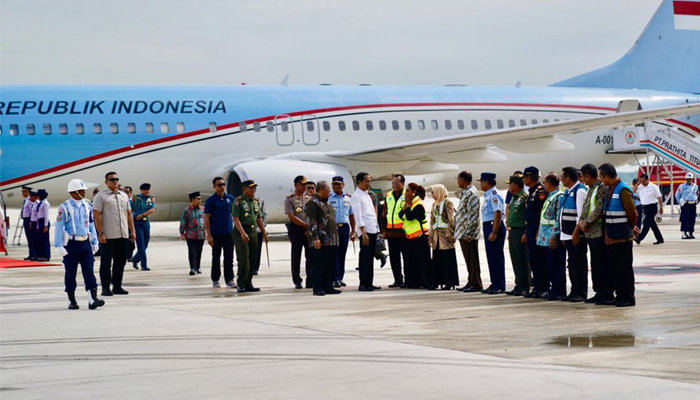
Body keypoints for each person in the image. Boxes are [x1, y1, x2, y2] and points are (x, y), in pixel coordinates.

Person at [54, 179, 105, 310]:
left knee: (89, 271)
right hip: (71, 244)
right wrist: (59, 245)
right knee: (70, 273)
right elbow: (59, 227)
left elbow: (91, 224)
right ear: (74, 192)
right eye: (81, 190)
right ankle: (72, 300)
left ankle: (92, 299)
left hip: (85, 243)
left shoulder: (86, 205)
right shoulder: (64, 208)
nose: (84, 192)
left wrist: (94, 241)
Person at [599, 163, 638, 307]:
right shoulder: (610, 189)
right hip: (612, 236)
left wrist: (630, 228)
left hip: (622, 236)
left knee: (624, 269)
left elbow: (632, 213)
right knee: (615, 269)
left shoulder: (623, 190)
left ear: (607, 177)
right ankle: (620, 295)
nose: (601, 180)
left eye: (601, 177)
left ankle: (627, 297)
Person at [93, 172, 136, 296]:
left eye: (116, 179)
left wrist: (132, 231)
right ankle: (105, 288)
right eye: (112, 179)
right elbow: (97, 215)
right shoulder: (101, 196)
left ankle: (117, 286)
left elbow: (129, 214)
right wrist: (100, 233)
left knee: (120, 262)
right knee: (106, 263)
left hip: (123, 234)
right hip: (108, 235)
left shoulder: (123, 195)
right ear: (106, 182)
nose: (115, 181)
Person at [577, 163, 612, 305]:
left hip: (598, 231)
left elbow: (598, 208)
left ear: (588, 176)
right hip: (590, 233)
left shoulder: (602, 188)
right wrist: (581, 222)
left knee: (601, 263)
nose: (582, 180)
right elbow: (586, 208)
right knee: (595, 264)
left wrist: (587, 222)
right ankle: (599, 292)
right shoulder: (591, 188)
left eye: (583, 177)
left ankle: (606, 292)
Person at [305, 180, 342, 296]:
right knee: (318, 265)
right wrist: (315, 238)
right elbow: (311, 222)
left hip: (331, 240)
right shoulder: (313, 203)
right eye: (328, 189)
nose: (330, 191)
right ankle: (318, 287)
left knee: (329, 264)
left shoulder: (328, 204)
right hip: (320, 240)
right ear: (321, 189)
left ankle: (328, 285)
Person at [232, 180, 268, 293]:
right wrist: (243, 233)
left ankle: (248, 283)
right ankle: (241, 283)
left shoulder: (255, 201)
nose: (253, 190)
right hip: (241, 231)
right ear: (244, 189)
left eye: (254, 188)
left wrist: (264, 232)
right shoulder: (238, 201)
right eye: (251, 188)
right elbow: (235, 218)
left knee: (253, 258)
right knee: (244, 259)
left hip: (253, 232)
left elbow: (259, 218)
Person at [560, 166, 588, 302]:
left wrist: (576, 234)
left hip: (576, 235)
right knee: (572, 264)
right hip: (568, 234)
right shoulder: (568, 191)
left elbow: (581, 215)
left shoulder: (580, 191)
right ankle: (574, 290)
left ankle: (581, 292)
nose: (561, 179)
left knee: (578, 264)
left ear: (568, 178)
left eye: (562, 176)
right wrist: (564, 235)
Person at [537, 173, 566, 301]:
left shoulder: (559, 197)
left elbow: (558, 219)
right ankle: (553, 289)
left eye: (544, 182)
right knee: (550, 265)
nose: (543, 185)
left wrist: (554, 237)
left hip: (552, 237)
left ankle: (559, 291)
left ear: (549, 183)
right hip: (545, 237)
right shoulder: (551, 196)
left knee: (557, 265)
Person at [351, 172, 381, 291]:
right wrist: (363, 233)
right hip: (365, 232)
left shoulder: (367, 194)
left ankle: (369, 282)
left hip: (372, 230)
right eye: (366, 181)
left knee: (370, 258)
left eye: (369, 181)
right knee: (365, 258)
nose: (369, 184)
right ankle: (363, 283)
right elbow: (358, 216)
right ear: (359, 182)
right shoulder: (356, 196)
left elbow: (371, 214)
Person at [204, 177, 236, 288]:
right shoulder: (211, 201)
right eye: (219, 185)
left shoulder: (230, 198)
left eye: (223, 184)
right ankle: (215, 279)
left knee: (229, 257)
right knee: (216, 257)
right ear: (214, 187)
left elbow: (235, 215)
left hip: (228, 233)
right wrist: (209, 235)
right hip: (216, 233)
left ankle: (229, 279)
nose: (222, 187)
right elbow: (206, 218)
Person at [454, 171, 483, 292]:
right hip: (463, 232)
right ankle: (471, 281)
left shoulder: (471, 193)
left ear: (463, 180)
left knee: (472, 260)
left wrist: (469, 233)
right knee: (468, 260)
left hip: (468, 234)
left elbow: (473, 215)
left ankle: (476, 283)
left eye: (458, 179)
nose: (457, 181)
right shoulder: (466, 192)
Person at [522, 166, 548, 298]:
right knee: (533, 259)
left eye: (525, 178)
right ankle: (537, 286)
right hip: (531, 228)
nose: (524, 180)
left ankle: (543, 286)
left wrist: (538, 231)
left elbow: (541, 213)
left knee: (539, 259)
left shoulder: (540, 191)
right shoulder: (532, 191)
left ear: (529, 178)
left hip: (537, 229)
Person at [399, 183, 430, 289]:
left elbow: (410, 217)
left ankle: (423, 282)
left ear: (414, 192)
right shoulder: (410, 203)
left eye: (407, 191)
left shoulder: (418, 204)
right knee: (410, 261)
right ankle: (411, 282)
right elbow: (400, 215)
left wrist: (407, 207)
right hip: (410, 237)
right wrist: (405, 207)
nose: (405, 193)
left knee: (420, 262)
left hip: (420, 236)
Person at [479, 173, 506, 294]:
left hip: (493, 226)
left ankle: (499, 284)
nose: (480, 184)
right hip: (488, 225)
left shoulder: (494, 195)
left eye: (481, 182)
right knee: (491, 256)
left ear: (487, 182)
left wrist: (494, 231)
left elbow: (498, 213)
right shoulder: (488, 195)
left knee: (496, 256)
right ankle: (494, 283)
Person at [429, 184, 459, 290]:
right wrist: (431, 237)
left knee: (447, 261)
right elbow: (432, 222)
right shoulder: (434, 205)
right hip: (436, 238)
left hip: (445, 239)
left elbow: (451, 220)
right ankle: (436, 281)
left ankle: (449, 282)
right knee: (437, 261)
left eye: (433, 192)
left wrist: (450, 234)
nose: (432, 194)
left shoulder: (447, 203)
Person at [381, 174, 408, 288]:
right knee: (394, 258)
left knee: (406, 258)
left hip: (403, 232)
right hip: (391, 232)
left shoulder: (407, 195)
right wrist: (384, 229)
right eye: (393, 183)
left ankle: (408, 279)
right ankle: (397, 280)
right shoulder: (388, 195)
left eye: (397, 183)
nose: (394, 185)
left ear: (402, 184)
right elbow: (384, 212)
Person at [285, 175, 312, 289]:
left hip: (309, 229)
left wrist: (309, 227)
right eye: (302, 184)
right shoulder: (290, 199)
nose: (304, 186)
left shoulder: (309, 198)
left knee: (310, 255)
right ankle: (297, 280)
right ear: (296, 185)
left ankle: (310, 279)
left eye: (305, 184)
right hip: (296, 229)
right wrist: (304, 225)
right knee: (296, 255)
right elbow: (291, 216)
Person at [505, 175, 530, 296]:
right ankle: (518, 284)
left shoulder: (524, 197)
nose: (509, 186)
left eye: (510, 184)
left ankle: (525, 285)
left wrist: (526, 232)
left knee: (522, 259)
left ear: (516, 185)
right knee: (515, 258)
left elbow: (527, 216)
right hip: (513, 231)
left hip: (520, 231)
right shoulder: (513, 197)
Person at [328, 176, 355, 288]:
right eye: (334, 184)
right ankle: (334, 278)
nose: (336, 186)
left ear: (343, 185)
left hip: (344, 227)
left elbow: (351, 215)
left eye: (339, 184)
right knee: (334, 253)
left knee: (342, 253)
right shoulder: (329, 198)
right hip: (333, 228)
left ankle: (340, 277)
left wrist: (353, 231)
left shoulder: (348, 198)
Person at [634, 174, 664, 245]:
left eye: (644, 181)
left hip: (652, 207)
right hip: (645, 207)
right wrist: (638, 183)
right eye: (641, 181)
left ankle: (639, 238)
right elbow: (633, 191)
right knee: (652, 224)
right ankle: (660, 239)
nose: (643, 183)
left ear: (648, 180)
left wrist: (661, 207)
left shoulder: (653, 187)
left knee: (646, 224)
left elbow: (659, 197)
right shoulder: (640, 187)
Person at [180, 192, 206, 275]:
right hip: (191, 235)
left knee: (199, 251)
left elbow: (206, 221)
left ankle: (198, 267)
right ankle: (192, 268)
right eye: (198, 199)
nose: (200, 200)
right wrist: (182, 233)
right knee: (191, 251)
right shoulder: (187, 210)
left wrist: (208, 232)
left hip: (201, 234)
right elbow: (183, 222)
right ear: (192, 200)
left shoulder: (203, 209)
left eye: (200, 199)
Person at [131, 183, 156, 271]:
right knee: (141, 244)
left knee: (146, 242)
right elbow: (130, 210)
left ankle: (135, 259)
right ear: (141, 190)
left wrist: (143, 214)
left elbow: (152, 209)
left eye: (148, 189)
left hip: (145, 221)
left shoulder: (151, 198)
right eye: (145, 190)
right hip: (137, 222)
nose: (147, 191)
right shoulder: (135, 198)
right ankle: (144, 265)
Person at [675, 173, 698, 239]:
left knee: (692, 219)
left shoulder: (695, 186)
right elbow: (677, 195)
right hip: (685, 204)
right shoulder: (682, 186)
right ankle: (684, 233)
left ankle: (690, 232)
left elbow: (696, 194)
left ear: (692, 179)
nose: (688, 180)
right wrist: (680, 202)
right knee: (685, 219)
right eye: (687, 179)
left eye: (690, 179)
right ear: (685, 179)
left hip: (693, 204)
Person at [35, 189, 52, 261]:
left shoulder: (45, 204)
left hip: (44, 222)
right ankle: (41, 255)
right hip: (40, 221)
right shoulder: (41, 203)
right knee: (40, 240)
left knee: (45, 240)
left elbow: (46, 215)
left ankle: (46, 255)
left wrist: (45, 226)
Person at [20, 186, 36, 261]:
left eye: (24, 191)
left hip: (29, 220)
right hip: (25, 220)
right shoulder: (26, 200)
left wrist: (30, 222)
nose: (23, 193)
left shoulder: (30, 200)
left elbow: (31, 211)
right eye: (22, 192)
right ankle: (31, 254)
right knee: (29, 238)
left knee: (31, 238)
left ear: (28, 192)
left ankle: (33, 254)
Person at [252, 196, 267, 275]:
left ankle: (255, 268)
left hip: (258, 229)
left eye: (254, 188)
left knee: (257, 249)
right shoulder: (241, 201)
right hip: (247, 229)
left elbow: (263, 213)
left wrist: (263, 227)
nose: (253, 190)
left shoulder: (259, 200)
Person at [123, 186, 135, 262]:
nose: (126, 194)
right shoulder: (121, 201)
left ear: (130, 193)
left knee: (131, 242)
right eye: (124, 192)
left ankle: (130, 256)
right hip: (123, 225)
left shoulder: (133, 203)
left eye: (127, 192)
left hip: (131, 224)